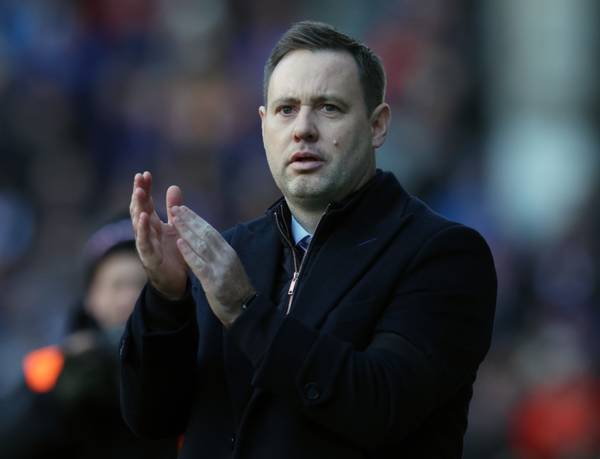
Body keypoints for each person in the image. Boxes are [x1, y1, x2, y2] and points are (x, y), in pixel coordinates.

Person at [120, 20, 497, 458]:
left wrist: (246, 312)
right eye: (286, 109)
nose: (302, 128)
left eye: (329, 108)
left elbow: (382, 406)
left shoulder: (443, 255)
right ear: (264, 126)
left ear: (377, 125)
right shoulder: (230, 254)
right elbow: (152, 419)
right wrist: (166, 301)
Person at [0, 219, 177, 459]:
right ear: (91, 297)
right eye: (117, 285)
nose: (128, 299)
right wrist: (55, 401)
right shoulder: (53, 367)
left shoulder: (191, 361)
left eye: (140, 284)